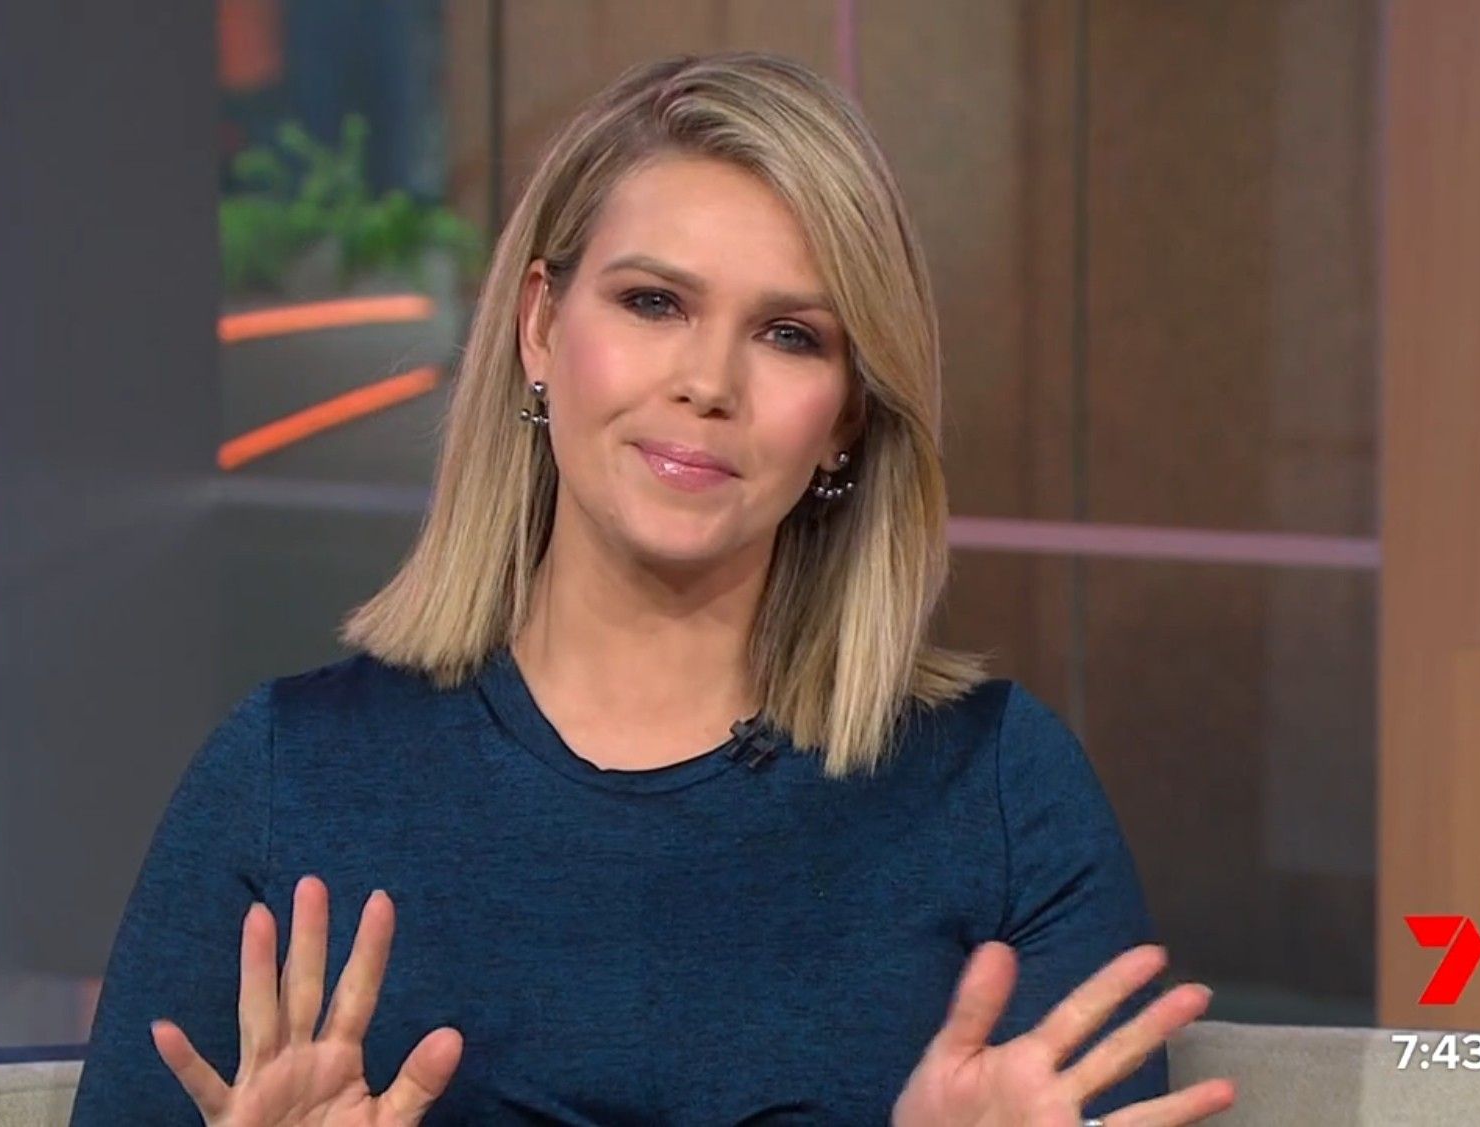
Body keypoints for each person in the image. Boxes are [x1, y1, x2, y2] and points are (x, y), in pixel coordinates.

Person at [69, 51, 1238, 1127]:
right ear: (539, 325)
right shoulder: (290, 776)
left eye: (788, 334)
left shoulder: (996, 793)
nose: (707, 381)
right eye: (653, 302)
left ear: (845, 418)